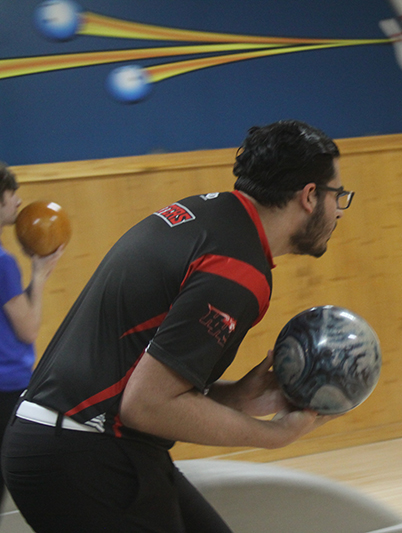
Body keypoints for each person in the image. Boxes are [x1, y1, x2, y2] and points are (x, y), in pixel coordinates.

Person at [1, 120, 354, 532]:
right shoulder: (238, 270)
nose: (340, 209)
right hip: (83, 453)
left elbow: (143, 385)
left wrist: (238, 397)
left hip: (74, 441)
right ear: (310, 196)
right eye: (338, 196)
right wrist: (272, 436)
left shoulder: (204, 215)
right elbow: (145, 406)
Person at [0, 164, 63, 518]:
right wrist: (39, 275)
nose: (18, 200)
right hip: (7, 386)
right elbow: (27, 329)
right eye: (11, 194)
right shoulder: (3, 263)